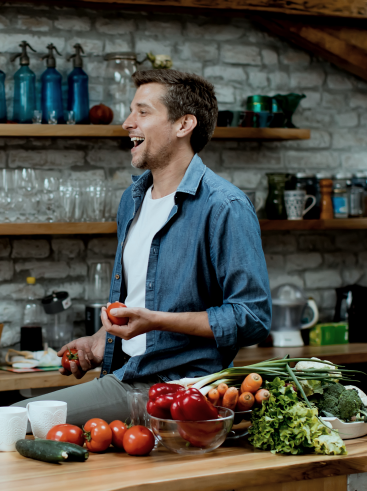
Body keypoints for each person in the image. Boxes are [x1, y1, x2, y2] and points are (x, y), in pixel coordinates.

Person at [14, 70, 271, 427]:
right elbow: (142, 302)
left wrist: (156, 322)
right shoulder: (133, 199)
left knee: (17, 421)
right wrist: (100, 340)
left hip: (175, 387)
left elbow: (252, 318)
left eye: (143, 112)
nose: (127, 123)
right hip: (125, 372)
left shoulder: (223, 206)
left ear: (184, 124)